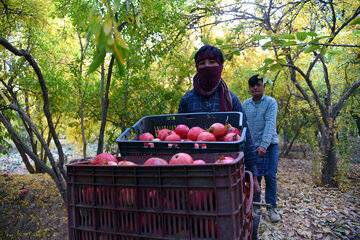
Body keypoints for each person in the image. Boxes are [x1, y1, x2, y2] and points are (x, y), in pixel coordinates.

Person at [178, 44, 260, 195]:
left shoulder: (232, 100)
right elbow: (179, 137)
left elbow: (244, 136)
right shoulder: (187, 100)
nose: (207, 66)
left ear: (220, 66)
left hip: (225, 169)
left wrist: (253, 175)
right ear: (196, 68)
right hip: (194, 170)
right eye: (202, 63)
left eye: (212, 62)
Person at [242, 74, 280, 222]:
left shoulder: (271, 102)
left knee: (270, 175)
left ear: (264, 86)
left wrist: (264, 145)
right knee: (253, 177)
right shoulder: (245, 104)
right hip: (251, 147)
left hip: (270, 146)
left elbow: (270, 124)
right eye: (252, 86)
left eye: (258, 85)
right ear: (250, 88)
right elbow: (243, 125)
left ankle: (272, 208)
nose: (255, 88)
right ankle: (255, 206)